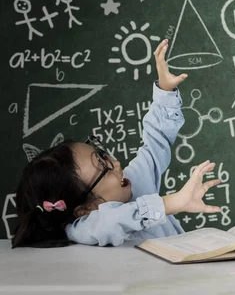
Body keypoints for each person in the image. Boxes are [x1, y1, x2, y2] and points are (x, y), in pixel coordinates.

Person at [12, 39, 221, 248]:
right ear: (84, 210)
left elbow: (156, 142)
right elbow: (111, 221)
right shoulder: (85, 228)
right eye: (103, 168)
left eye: (102, 154)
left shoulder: (134, 182)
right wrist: (174, 202)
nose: (116, 163)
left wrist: (165, 91)